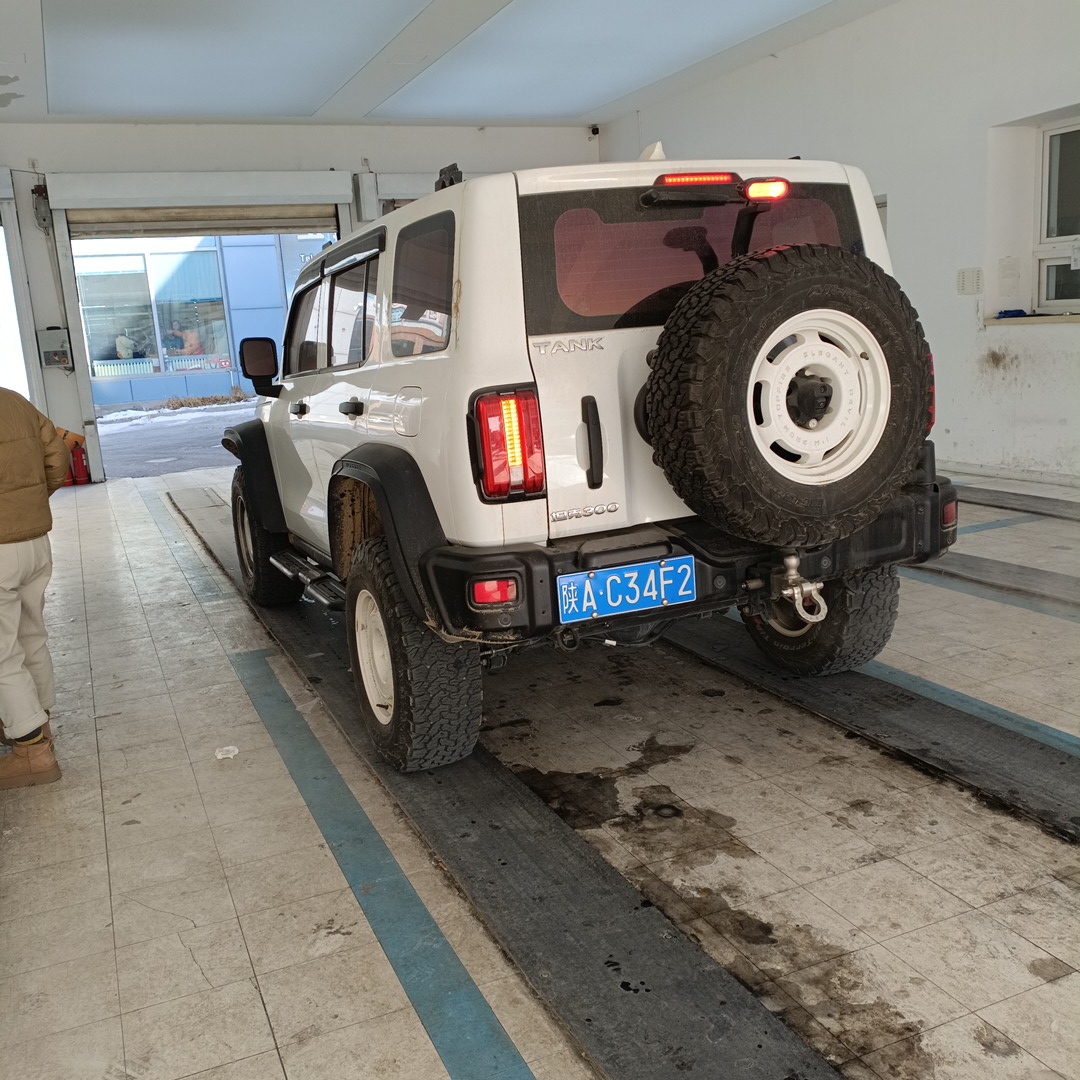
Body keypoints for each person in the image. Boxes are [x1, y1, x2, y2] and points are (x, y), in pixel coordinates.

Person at [0, 386, 70, 788]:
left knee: (2, 654)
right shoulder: (13, 400)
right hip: (34, 542)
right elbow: (57, 456)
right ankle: (42, 727)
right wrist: (31, 503)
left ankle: (32, 752)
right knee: (31, 637)